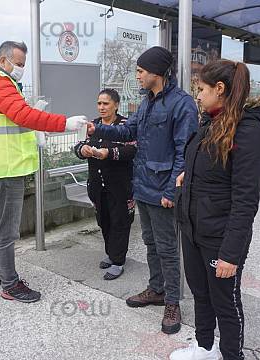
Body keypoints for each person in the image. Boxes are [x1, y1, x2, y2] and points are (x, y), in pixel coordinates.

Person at [87, 46, 198, 334]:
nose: (137, 76)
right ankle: (156, 289)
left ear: (156, 73)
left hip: (163, 191)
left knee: (167, 248)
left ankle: (172, 301)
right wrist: (95, 129)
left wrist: (171, 192)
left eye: (140, 71)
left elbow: (183, 152)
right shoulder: (146, 102)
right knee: (150, 243)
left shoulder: (181, 103)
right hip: (143, 187)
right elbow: (127, 131)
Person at [0, 40, 88, 303]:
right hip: (6, 167)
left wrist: (35, 127)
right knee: (7, 230)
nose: (21, 69)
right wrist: (64, 123)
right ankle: (10, 284)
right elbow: (20, 114)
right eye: (19, 64)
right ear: (3, 61)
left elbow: (13, 118)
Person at [169, 60, 260, 360]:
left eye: (201, 89)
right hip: (193, 227)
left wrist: (230, 253)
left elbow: (245, 199)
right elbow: (210, 165)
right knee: (201, 294)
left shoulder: (248, 131)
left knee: (225, 302)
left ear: (220, 89)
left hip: (220, 237)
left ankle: (231, 355)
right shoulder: (212, 119)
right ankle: (204, 347)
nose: (197, 95)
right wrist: (187, 176)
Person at [73, 88, 136, 281]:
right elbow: (77, 145)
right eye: (99, 103)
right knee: (104, 220)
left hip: (120, 184)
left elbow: (132, 150)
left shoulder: (125, 125)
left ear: (116, 105)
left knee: (120, 221)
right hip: (97, 184)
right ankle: (111, 253)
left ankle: (118, 261)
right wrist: (82, 149)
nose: (101, 107)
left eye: (106, 103)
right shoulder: (93, 125)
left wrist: (109, 154)